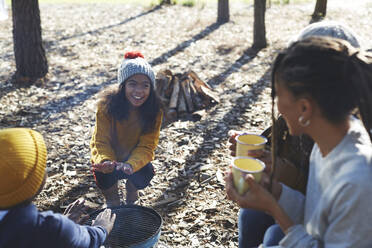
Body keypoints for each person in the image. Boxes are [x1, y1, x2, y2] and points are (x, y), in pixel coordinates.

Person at [226, 36, 372, 247]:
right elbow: (316, 218)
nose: (277, 106)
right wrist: (274, 190)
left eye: (278, 96)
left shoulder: (357, 181)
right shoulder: (330, 139)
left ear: (304, 108)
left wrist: (274, 208)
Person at [0, 128, 116, 248]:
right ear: (33, 184)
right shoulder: (51, 228)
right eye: (42, 167)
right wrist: (102, 228)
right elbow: (89, 239)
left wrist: (65, 223)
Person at [90, 51, 163, 207]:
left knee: (145, 172)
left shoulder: (155, 110)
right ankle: (112, 200)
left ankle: (132, 194)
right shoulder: (106, 107)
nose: (139, 91)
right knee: (101, 172)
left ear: (151, 88)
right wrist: (106, 161)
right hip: (111, 157)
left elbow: (147, 145)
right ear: (122, 86)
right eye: (132, 84)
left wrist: (131, 165)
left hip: (133, 157)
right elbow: (100, 141)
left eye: (145, 85)